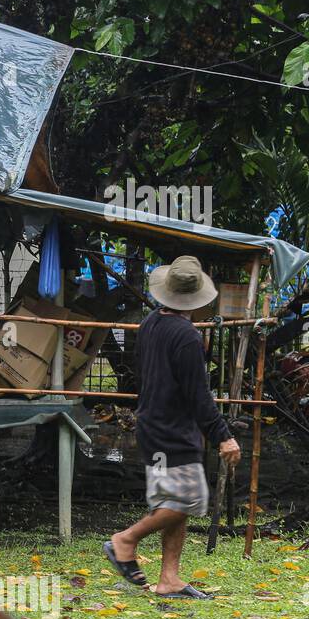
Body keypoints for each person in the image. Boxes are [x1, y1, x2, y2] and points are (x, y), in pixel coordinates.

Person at [104, 255, 240, 599]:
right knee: (188, 500)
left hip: (153, 425)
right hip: (173, 431)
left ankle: (169, 580)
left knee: (171, 503)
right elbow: (199, 396)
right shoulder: (187, 337)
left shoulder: (151, 324)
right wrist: (224, 436)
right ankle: (125, 540)